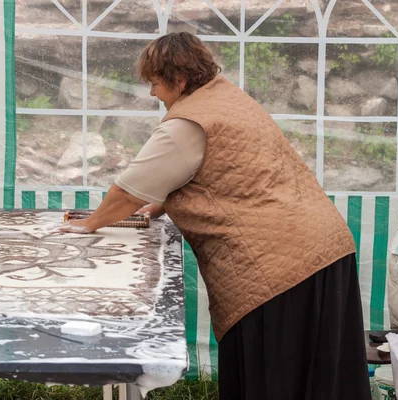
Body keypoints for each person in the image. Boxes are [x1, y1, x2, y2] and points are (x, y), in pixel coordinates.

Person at [59, 32, 370, 400]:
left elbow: (127, 192)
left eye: (156, 83)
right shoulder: (229, 98)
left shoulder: (187, 123)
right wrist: (163, 202)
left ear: (179, 80)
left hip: (278, 270)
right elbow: (232, 172)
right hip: (327, 248)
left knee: (277, 379)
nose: (152, 94)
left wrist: (90, 224)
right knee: (321, 381)